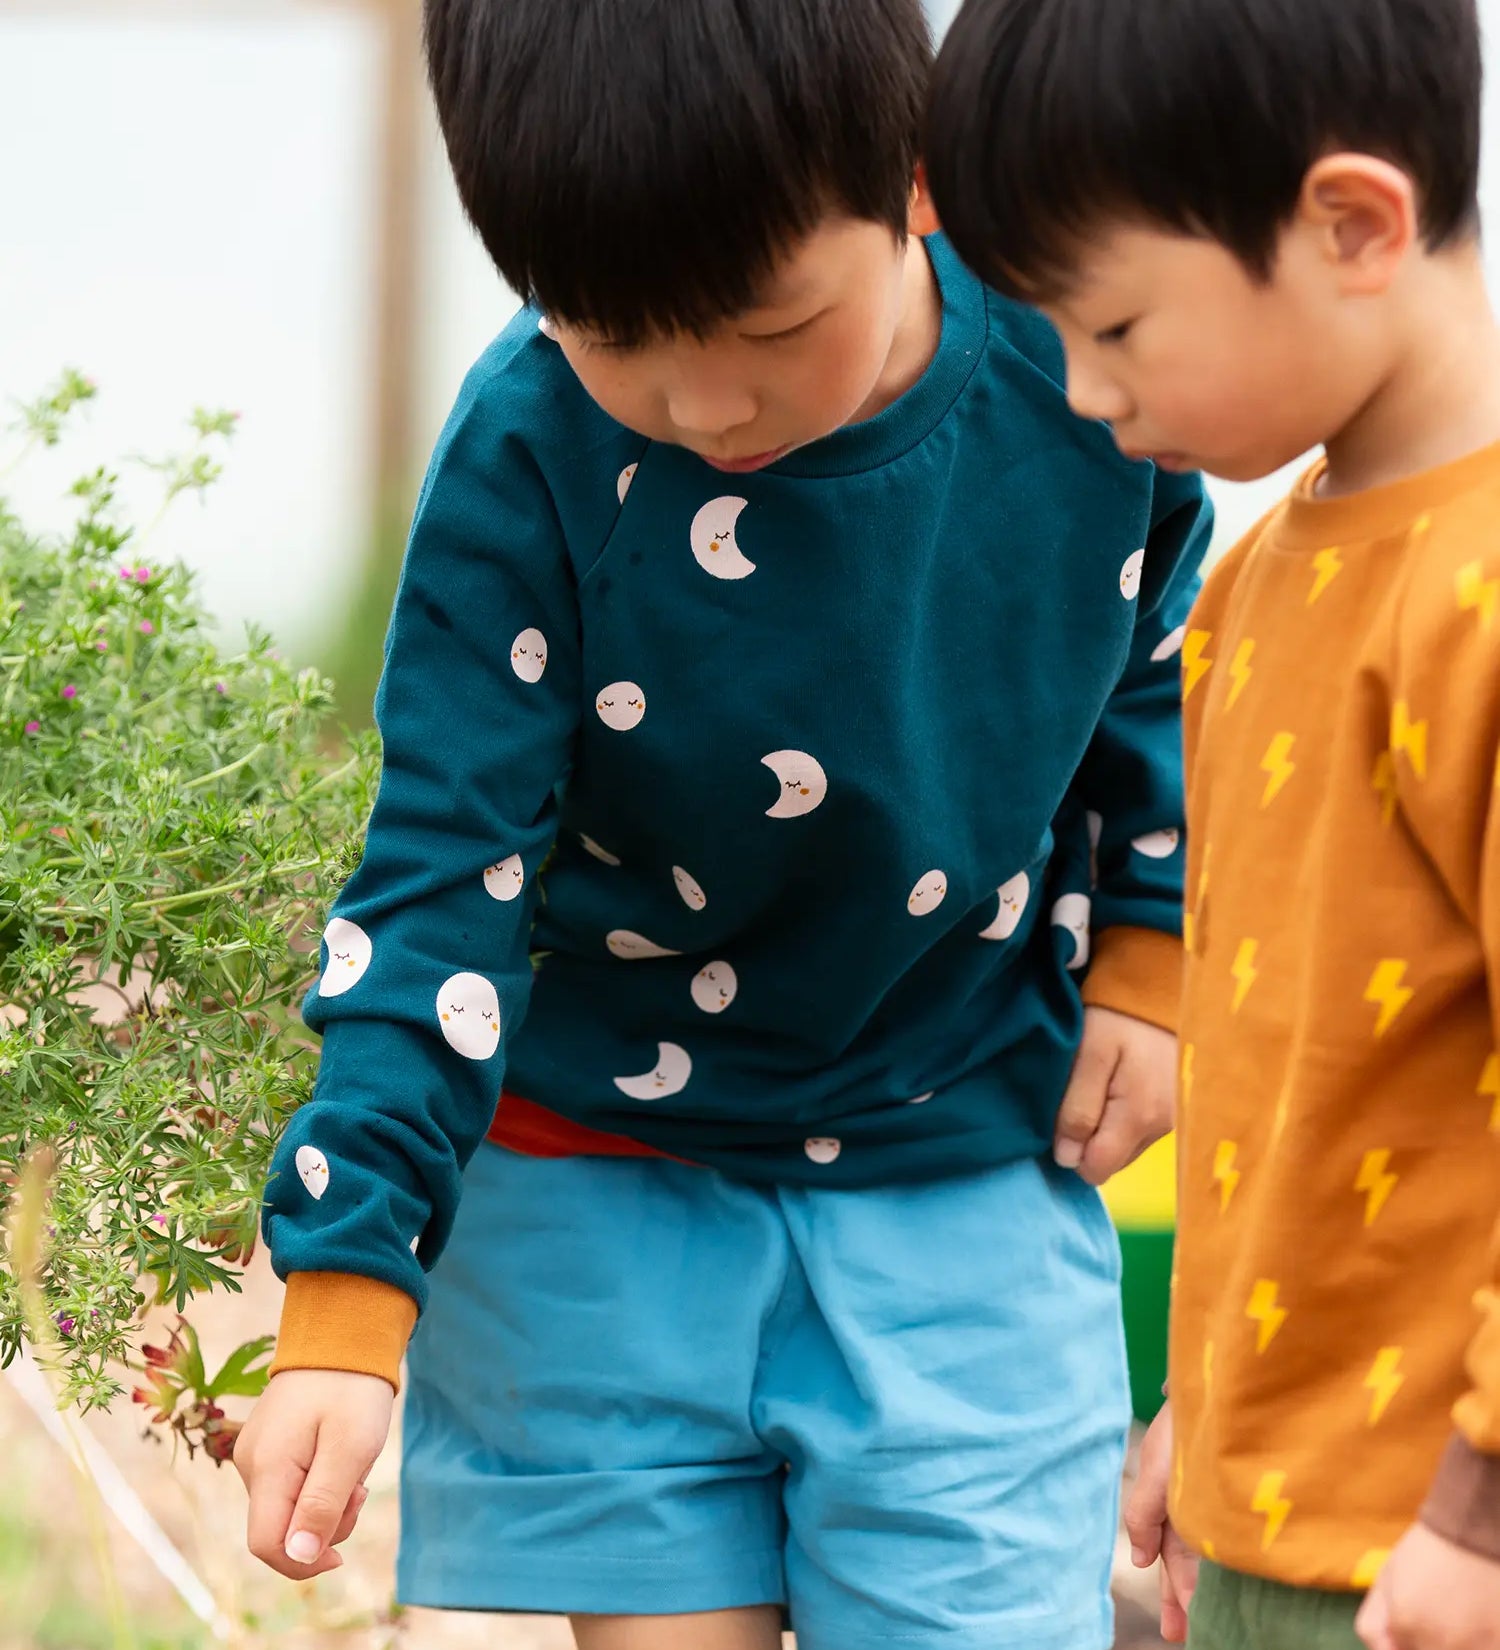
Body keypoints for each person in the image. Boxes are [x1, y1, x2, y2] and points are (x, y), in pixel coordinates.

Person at [232, 2, 1209, 1645]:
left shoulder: (1073, 367)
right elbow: (440, 877)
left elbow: (1156, 655)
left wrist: (1156, 942)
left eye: (769, 322)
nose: (699, 403)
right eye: (612, 330)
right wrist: (345, 1289)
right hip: (601, 1179)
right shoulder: (531, 449)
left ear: (916, 180)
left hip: (958, 1147)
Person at [926, 1, 1500, 1646]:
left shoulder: (1480, 600)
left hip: (1440, 1543)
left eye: (1113, 325)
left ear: (1350, 224)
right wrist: (1208, 1416)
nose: (1083, 394)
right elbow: (1275, 1065)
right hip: (1275, 1521)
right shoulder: (1250, 585)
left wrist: (1480, 1513)